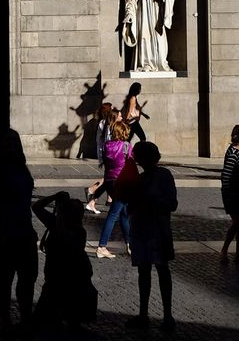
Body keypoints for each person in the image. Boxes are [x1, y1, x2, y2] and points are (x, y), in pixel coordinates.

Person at [0, 129, 38, 334]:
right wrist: (0, 233)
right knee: (5, 275)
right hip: (2, 229)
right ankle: (6, 320)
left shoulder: (21, 168)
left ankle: (25, 318)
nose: (12, 145)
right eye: (8, 142)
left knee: (28, 275)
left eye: (15, 141)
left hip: (23, 228)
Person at [123, 141, 177, 332]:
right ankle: (148, 314)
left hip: (155, 229)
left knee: (159, 271)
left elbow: (172, 203)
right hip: (147, 229)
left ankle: (165, 315)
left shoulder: (158, 177)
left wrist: (148, 200)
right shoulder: (145, 178)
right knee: (146, 272)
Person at [33, 191, 98, 331]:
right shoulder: (78, 231)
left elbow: (37, 207)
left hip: (58, 277)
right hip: (70, 277)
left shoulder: (57, 226)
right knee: (69, 315)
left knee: (48, 317)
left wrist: (54, 197)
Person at [121, 0, 176, 73]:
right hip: (143, 13)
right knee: (144, 36)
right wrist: (129, 13)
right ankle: (145, 64)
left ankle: (160, 62)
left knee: (158, 36)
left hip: (156, 13)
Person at [96, 119, 135, 257]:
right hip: (122, 182)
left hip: (109, 181)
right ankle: (102, 246)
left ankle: (129, 243)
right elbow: (130, 164)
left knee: (123, 212)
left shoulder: (107, 145)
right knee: (113, 215)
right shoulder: (126, 146)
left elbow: (106, 163)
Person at [219, 124, 239, 260]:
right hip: (233, 194)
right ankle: (227, 251)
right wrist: (228, 196)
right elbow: (226, 176)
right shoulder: (233, 153)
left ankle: (236, 253)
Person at [85, 102, 115, 212]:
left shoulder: (103, 122)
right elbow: (107, 141)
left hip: (105, 153)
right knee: (109, 178)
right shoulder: (106, 123)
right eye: (112, 109)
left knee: (109, 177)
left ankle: (109, 199)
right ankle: (92, 193)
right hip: (108, 154)